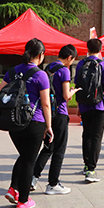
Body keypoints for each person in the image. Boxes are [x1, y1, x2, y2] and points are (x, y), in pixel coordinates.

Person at [0, 38, 53, 208]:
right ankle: (23, 200)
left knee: (24, 156)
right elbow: (46, 104)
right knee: (29, 160)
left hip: (14, 122)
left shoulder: (12, 71)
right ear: (41, 55)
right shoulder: (41, 75)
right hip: (34, 122)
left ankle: (14, 189)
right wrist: (49, 126)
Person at [32, 44, 79, 194]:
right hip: (60, 113)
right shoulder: (64, 70)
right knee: (59, 149)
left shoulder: (48, 68)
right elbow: (66, 95)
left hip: (48, 114)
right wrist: (73, 91)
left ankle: (33, 177)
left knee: (48, 147)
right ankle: (53, 184)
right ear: (70, 57)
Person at [75, 38, 104, 183]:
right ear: (100, 49)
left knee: (87, 135)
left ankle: (86, 164)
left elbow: (77, 84)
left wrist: (78, 105)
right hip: (99, 105)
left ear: (88, 49)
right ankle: (91, 169)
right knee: (96, 137)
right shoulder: (102, 64)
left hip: (84, 105)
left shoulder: (81, 64)